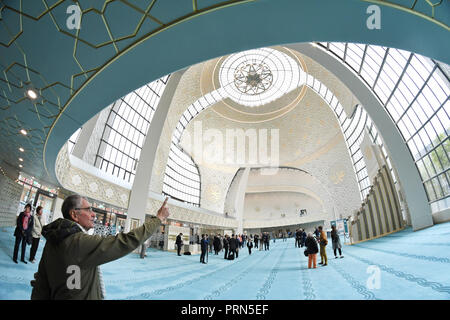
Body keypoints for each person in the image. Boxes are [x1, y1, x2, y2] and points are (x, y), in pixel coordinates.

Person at [30, 195, 169, 300]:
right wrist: (158, 219)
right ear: (74, 214)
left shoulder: (53, 240)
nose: (93, 214)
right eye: (88, 209)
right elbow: (126, 241)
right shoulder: (79, 242)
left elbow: (41, 285)